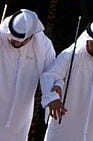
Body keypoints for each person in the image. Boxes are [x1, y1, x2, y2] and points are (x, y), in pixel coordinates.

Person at [40, 20, 93, 141]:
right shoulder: (70, 56)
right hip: (65, 124)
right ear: (87, 40)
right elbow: (50, 75)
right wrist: (52, 98)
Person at [0, 9, 56, 140]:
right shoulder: (2, 35)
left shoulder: (43, 46)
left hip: (20, 113)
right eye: (12, 39)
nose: (15, 43)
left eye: (20, 41)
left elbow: (51, 74)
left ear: (31, 36)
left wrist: (51, 97)